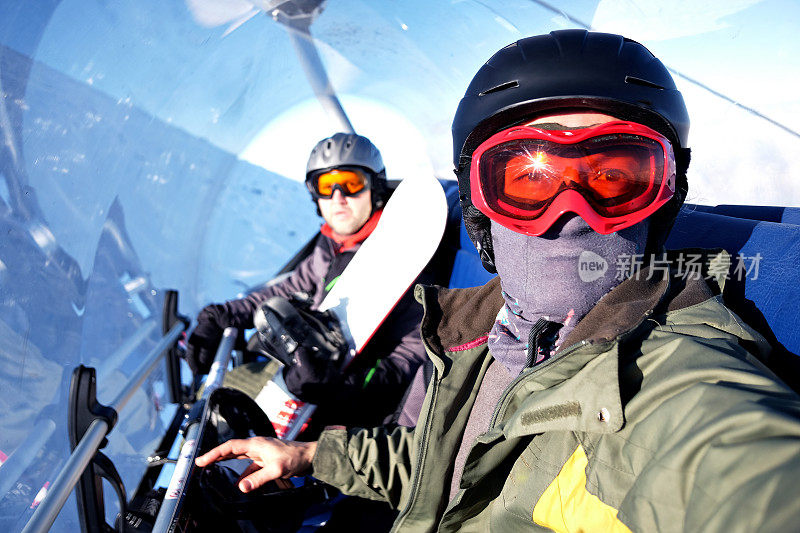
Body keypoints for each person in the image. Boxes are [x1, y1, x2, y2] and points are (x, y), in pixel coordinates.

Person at [195, 30, 800, 532]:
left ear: (662, 201)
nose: (569, 215)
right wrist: (309, 454)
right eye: (529, 178)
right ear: (482, 209)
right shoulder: (487, 334)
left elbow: (742, 470)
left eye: (615, 176)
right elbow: (444, 463)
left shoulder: (675, 374)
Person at [184, 132, 431, 432]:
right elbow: (285, 289)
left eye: (351, 183)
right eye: (326, 186)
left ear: (374, 186)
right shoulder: (330, 245)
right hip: (302, 373)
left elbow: (412, 351)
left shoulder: (407, 250)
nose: (338, 197)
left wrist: (342, 386)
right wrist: (221, 314)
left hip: (354, 408)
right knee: (212, 405)